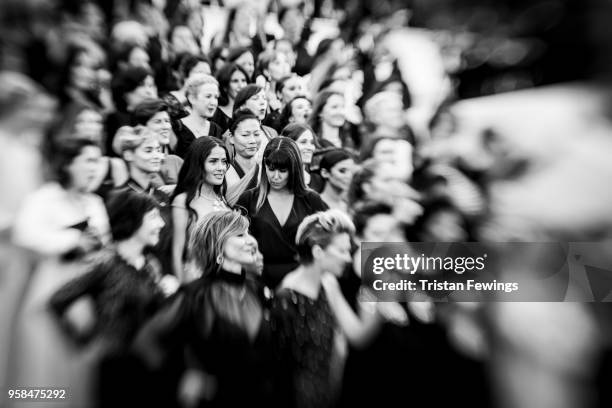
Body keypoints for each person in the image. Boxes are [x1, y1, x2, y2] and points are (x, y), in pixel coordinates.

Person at [132, 210, 277, 407]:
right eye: (240, 235)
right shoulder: (196, 295)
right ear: (217, 244)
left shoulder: (258, 291)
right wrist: (183, 377)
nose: (251, 240)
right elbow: (145, 346)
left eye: (249, 233)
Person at [11, 138, 111, 407]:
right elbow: (24, 234)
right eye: (88, 160)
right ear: (68, 163)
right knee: (41, 368)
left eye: (98, 161)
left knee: (77, 370)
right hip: (49, 289)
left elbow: (104, 243)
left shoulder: (95, 203)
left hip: (85, 293)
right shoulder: (45, 197)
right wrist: (70, 240)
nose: (95, 168)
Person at [272, 209, 384, 408]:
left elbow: (358, 335)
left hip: (329, 394)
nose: (348, 258)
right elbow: (281, 374)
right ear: (318, 251)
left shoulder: (328, 282)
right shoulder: (285, 299)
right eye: (341, 251)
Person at [237, 137, 329, 289]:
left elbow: (332, 235)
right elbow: (233, 239)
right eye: (271, 169)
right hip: (258, 279)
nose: (275, 176)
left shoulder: (310, 199)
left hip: (301, 279)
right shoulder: (249, 199)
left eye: (283, 170)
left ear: (294, 170)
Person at [171, 137, 231, 282]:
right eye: (213, 161)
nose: (221, 167)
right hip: (197, 280)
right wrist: (181, 290)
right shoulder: (183, 201)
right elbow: (177, 250)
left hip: (224, 279)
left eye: (224, 161)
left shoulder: (222, 198)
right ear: (198, 164)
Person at [106, 66, 158, 156]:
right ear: (126, 90)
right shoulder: (115, 118)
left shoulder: (157, 116)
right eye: (141, 85)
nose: (149, 91)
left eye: (151, 86)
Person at [131, 98, 184, 184]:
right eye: (158, 122)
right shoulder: (137, 161)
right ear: (141, 126)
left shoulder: (175, 161)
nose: (165, 126)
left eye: (167, 121)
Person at [175, 74, 224, 157]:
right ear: (192, 98)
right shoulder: (177, 128)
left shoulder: (216, 130)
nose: (213, 102)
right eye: (208, 96)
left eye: (216, 97)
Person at [225, 109, 264, 190]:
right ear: (231, 137)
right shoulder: (226, 172)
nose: (253, 141)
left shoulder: (267, 169)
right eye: (245, 135)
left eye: (256, 134)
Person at [212, 63, 249, 132]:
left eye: (243, 80)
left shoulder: (251, 109)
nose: (241, 86)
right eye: (235, 81)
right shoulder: (215, 114)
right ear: (225, 86)